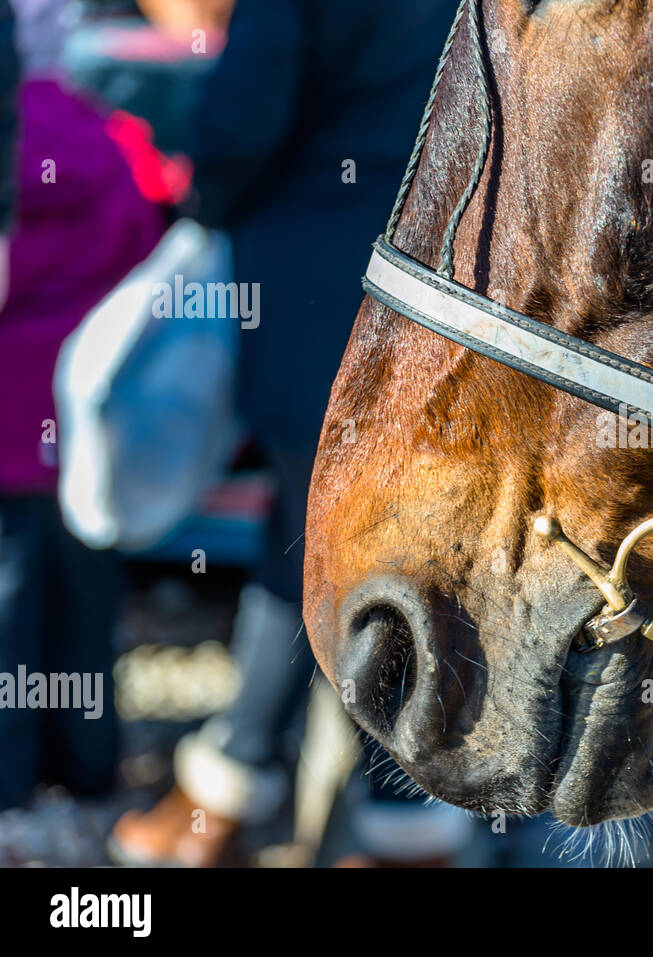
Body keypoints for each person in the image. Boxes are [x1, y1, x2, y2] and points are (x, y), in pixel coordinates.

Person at [110, 0, 470, 866]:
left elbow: (240, 123)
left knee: (319, 538)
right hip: (454, 278)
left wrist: (204, 196)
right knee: (407, 540)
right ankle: (375, 813)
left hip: (321, 283)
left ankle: (263, 793)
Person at [0, 0, 168, 809]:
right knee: (90, 606)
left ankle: (9, 783)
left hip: (3, 431)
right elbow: (145, 251)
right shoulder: (109, 137)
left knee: (7, 613)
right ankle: (91, 771)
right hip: (83, 431)